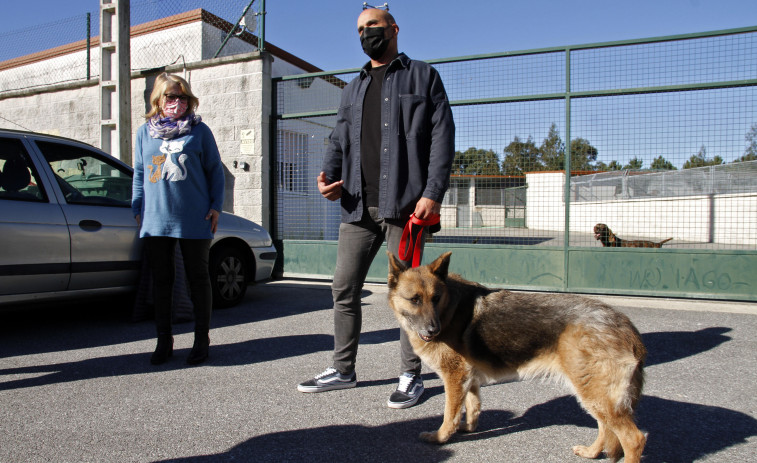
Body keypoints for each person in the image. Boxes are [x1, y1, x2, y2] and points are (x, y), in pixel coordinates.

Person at [297, 7, 455, 409]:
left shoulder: (423, 76)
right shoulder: (353, 88)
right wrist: (326, 176)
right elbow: (338, 137)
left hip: (407, 207)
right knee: (344, 287)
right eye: (360, 29)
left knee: (412, 295)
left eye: (373, 26)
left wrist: (433, 191)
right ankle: (343, 369)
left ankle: (410, 375)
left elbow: (442, 136)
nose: (367, 33)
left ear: (394, 28)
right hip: (356, 206)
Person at [131, 72, 225, 366]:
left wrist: (215, 206)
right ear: (158, 100)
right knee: (162, 281)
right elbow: (139, 173)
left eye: (182, 96)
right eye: (171, 96)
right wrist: (137, 208)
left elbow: (215, 171)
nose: (177, 102)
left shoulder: (199, 131)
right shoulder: (144, 133)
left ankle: (201, 339)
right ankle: (164, 340)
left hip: (193, 217)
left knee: (198, 279)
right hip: (156, 219)